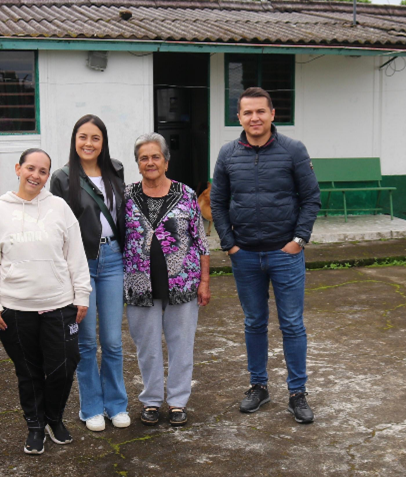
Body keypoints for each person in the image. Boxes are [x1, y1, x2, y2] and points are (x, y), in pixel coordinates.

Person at [210, 87, 321, 424]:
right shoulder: (228, 154)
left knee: (292, 324)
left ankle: (297, 393)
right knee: (254, 322)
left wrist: (298, 240)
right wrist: (229, 244)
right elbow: (217, 201)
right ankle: (258, 386)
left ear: (273, 114)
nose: (254, 118)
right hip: (245, 256)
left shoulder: (293, 150)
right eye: (247, 113)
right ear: (239, 118)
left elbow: (311, 197)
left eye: (261, 111)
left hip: (284, 254)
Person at [0, 148, 91, 455]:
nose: (35, 176)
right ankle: (36, 426)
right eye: (30, 168)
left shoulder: (60, 208)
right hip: (14, 310)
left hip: (60, 304)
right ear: (18, 168)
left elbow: (75, 255)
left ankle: (54, 418)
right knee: (28, 372)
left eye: (43, 171)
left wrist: (82, 295)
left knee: (64, 366)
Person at [124, 133, 211, 427]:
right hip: (139, 284)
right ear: (138, 164)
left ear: (166, 160)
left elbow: (201, 241)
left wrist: (205, 281)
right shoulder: (126, 196)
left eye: (155, 156)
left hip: (183, 282)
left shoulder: (186, 195)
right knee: (146, 346)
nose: (150, 162)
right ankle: (150, 401)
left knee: (181, 344)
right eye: (144, 158)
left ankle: (176, 402)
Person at [50, 115, 130, 432]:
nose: (88, 143)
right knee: (85, 343)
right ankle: (92, 407)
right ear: (74, 140)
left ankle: (116, 405)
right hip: (80, 263)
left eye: (95, 138)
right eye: (83, 137)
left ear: (103, 142)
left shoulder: (117, 170)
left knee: (111, 341)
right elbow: (56, 225)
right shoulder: (62, 177)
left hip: (113, 260)